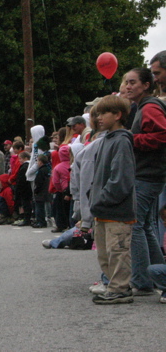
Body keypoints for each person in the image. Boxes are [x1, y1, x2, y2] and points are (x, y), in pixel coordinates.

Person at [88, 94, 136, 304]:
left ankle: (121, 288)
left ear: (117, 115)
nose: (98, 117)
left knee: (118, 252)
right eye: (97, 113)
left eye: (103, 113)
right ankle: (112, 284)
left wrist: (101, 199)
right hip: (103, 209)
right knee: (105, 253)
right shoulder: (106, 139)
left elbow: (121, 179)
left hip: (117, 210)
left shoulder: (122, 141)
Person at [125, 67, 166, 295]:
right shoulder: (144, 107)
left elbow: (161, 135)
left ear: (146, 85)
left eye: (133, 82)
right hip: (151, 175)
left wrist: (131, 138)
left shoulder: (149, 107)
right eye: (127, 83)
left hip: (148, 175)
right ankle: (155, 276)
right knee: (146, 227)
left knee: (136, 226)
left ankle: (141, 280)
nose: (129, 86)